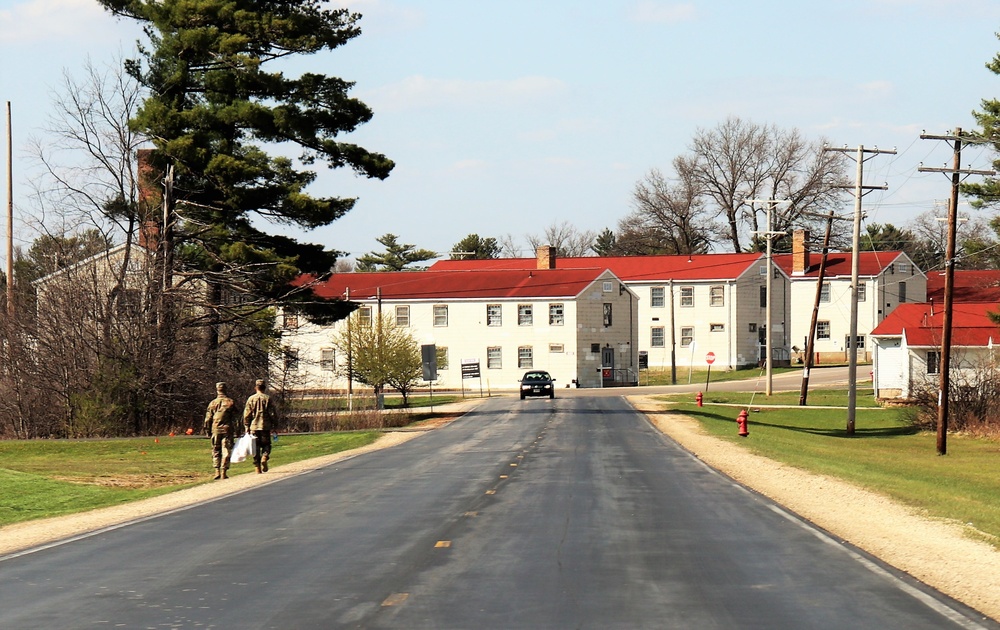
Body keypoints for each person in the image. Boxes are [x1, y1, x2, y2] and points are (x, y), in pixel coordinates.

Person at [203, 381, 237, 480]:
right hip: (227, 430)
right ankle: (223, 471)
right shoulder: (230, 402)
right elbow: (236, 418)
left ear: (217, 389)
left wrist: (207, 430)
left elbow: (208, 418)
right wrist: (238, 430)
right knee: (226, 450)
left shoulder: (212, 403)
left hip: (215, 429)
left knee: (216, 450)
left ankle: (216, 470)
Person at [243, 378, 276, 473]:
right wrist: (274, 424)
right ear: (264, 388)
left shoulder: (251, 399)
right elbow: (272, 414)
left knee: (255, 447)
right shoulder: (267, 398)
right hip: (265, 426)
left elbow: (246, 414)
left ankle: (257, 467)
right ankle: (265, 456)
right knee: (267, 445)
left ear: (255, 388)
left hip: (254, 426)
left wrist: (246, 426)